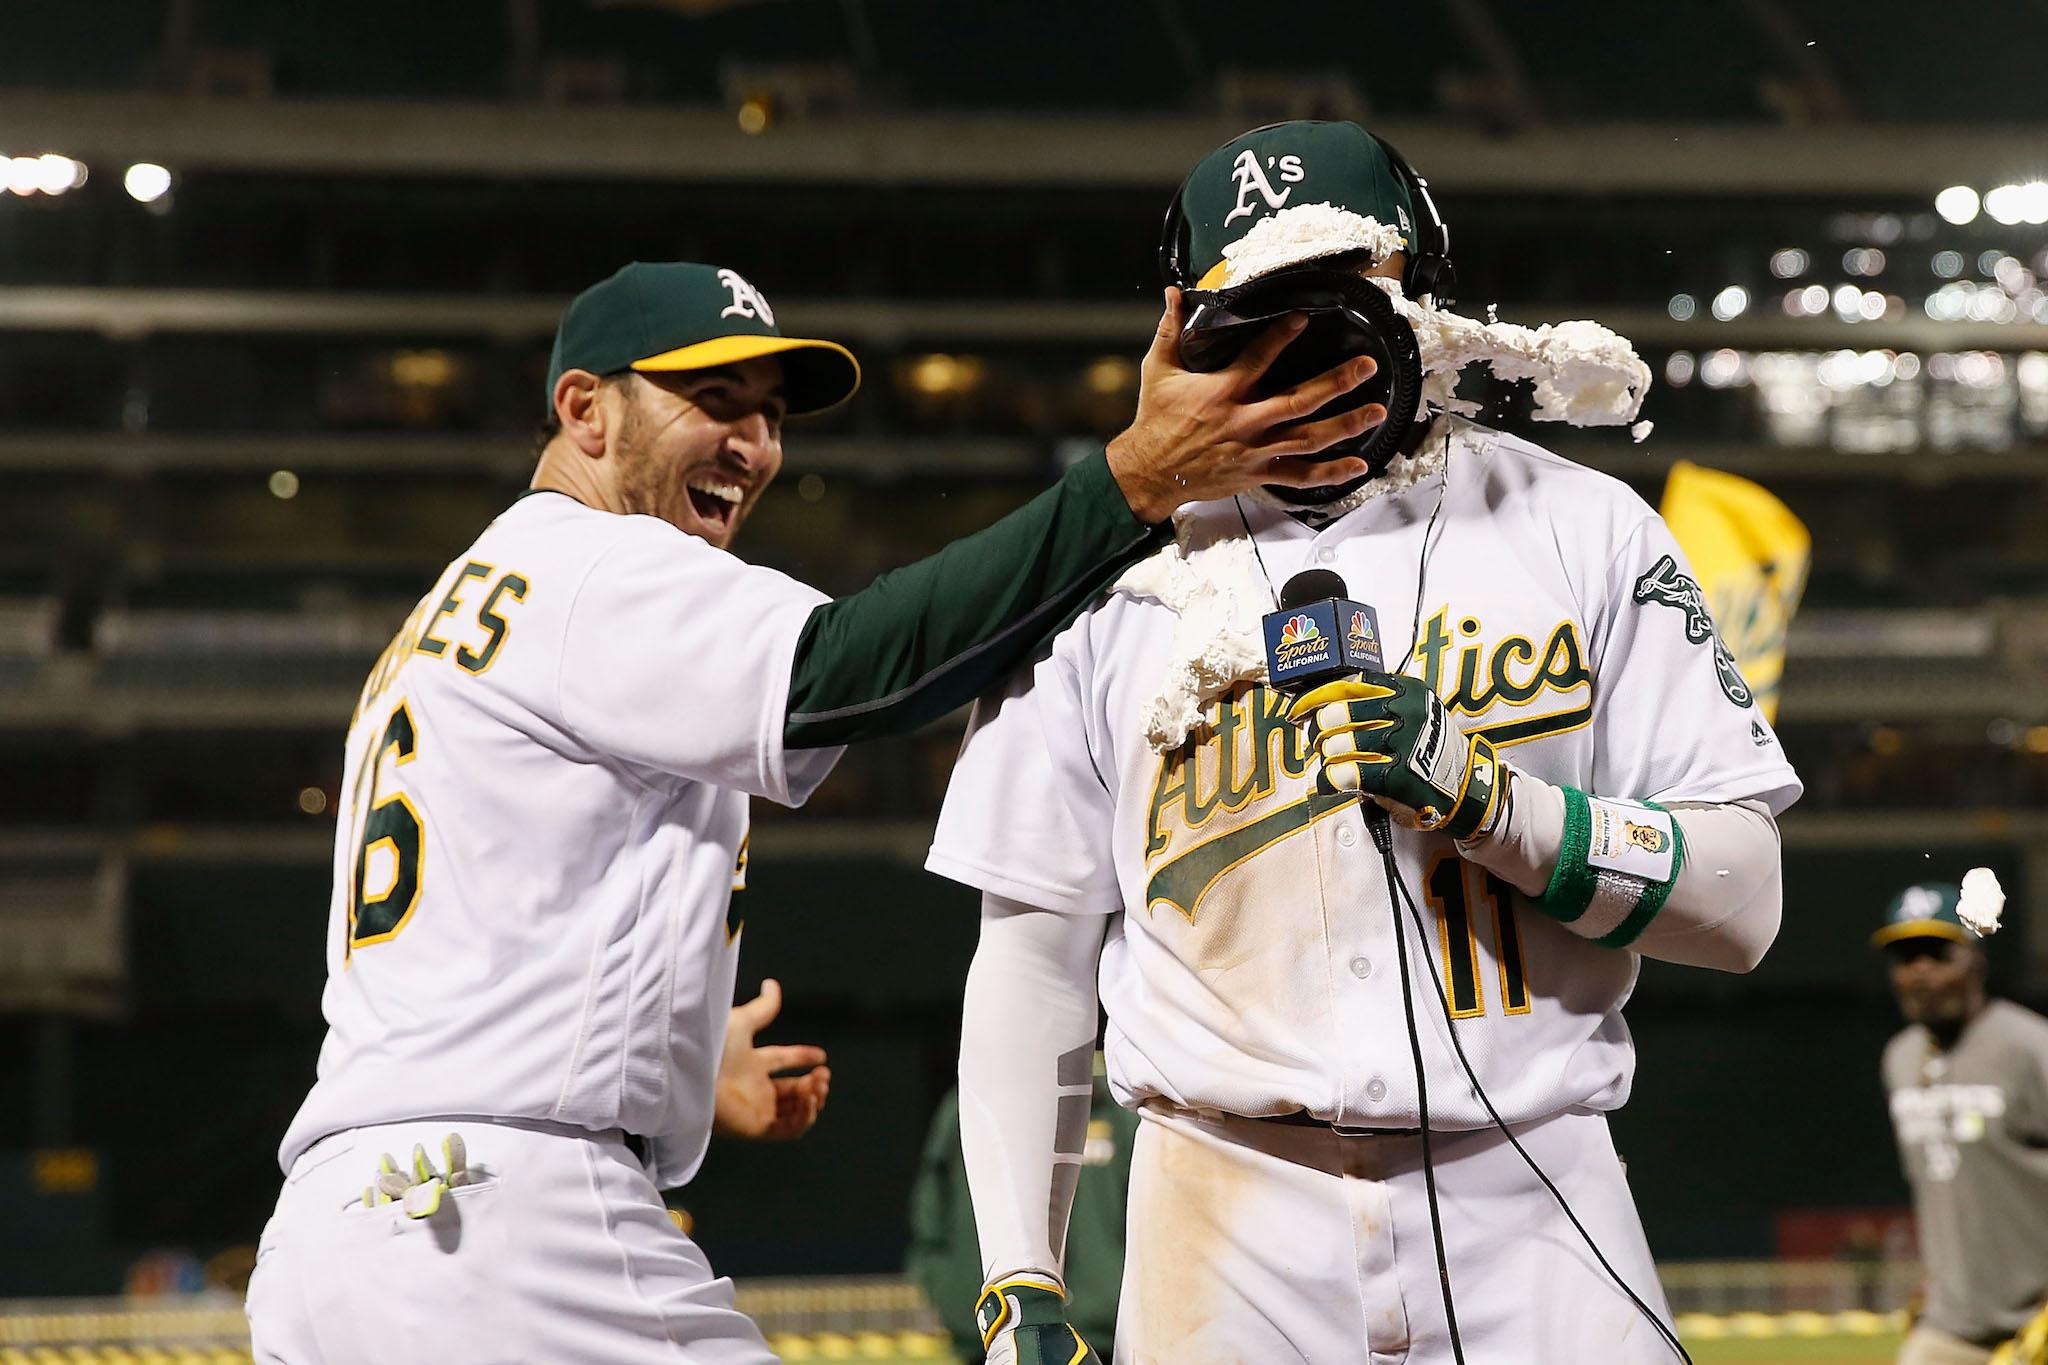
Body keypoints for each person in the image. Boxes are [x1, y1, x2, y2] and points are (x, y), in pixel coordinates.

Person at [245, 258, 1386, 1365]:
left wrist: (671, 1066)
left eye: (771, 414)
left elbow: (499, 915)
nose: (753, 443)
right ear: (584, 410)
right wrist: (1130, 482)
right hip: (499, 1223)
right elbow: (853, 669)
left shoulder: (464, 606)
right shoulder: (587, 567)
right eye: (712, 398)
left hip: (351, 1226)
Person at [927, 121, 1802, 1364]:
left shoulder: (1587, 528)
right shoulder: (1098, 577)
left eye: (1345, 302)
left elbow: (1744, 903)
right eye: (1260, 317)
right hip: (1217, 1211)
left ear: (1425, 302)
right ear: (1184, 332)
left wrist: (1493, 806)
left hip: (1533, 1190)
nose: (1309, 354)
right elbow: (1033, 956)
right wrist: (1019, 1268)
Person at [1875, 883, 2048, 1365]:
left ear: (1975, 958)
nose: (1921, 971)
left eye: (1936, 953)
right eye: (1906, 958)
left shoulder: (2029, 1048)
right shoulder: (1901, 1059)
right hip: (1956, 1325)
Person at [910, 1059, 1138, 1361]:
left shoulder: (1120, 1115)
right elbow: (931, 1209)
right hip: (993, 1325)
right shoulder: (971, 1106)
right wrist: (948, 1291)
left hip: (1103, 1331)